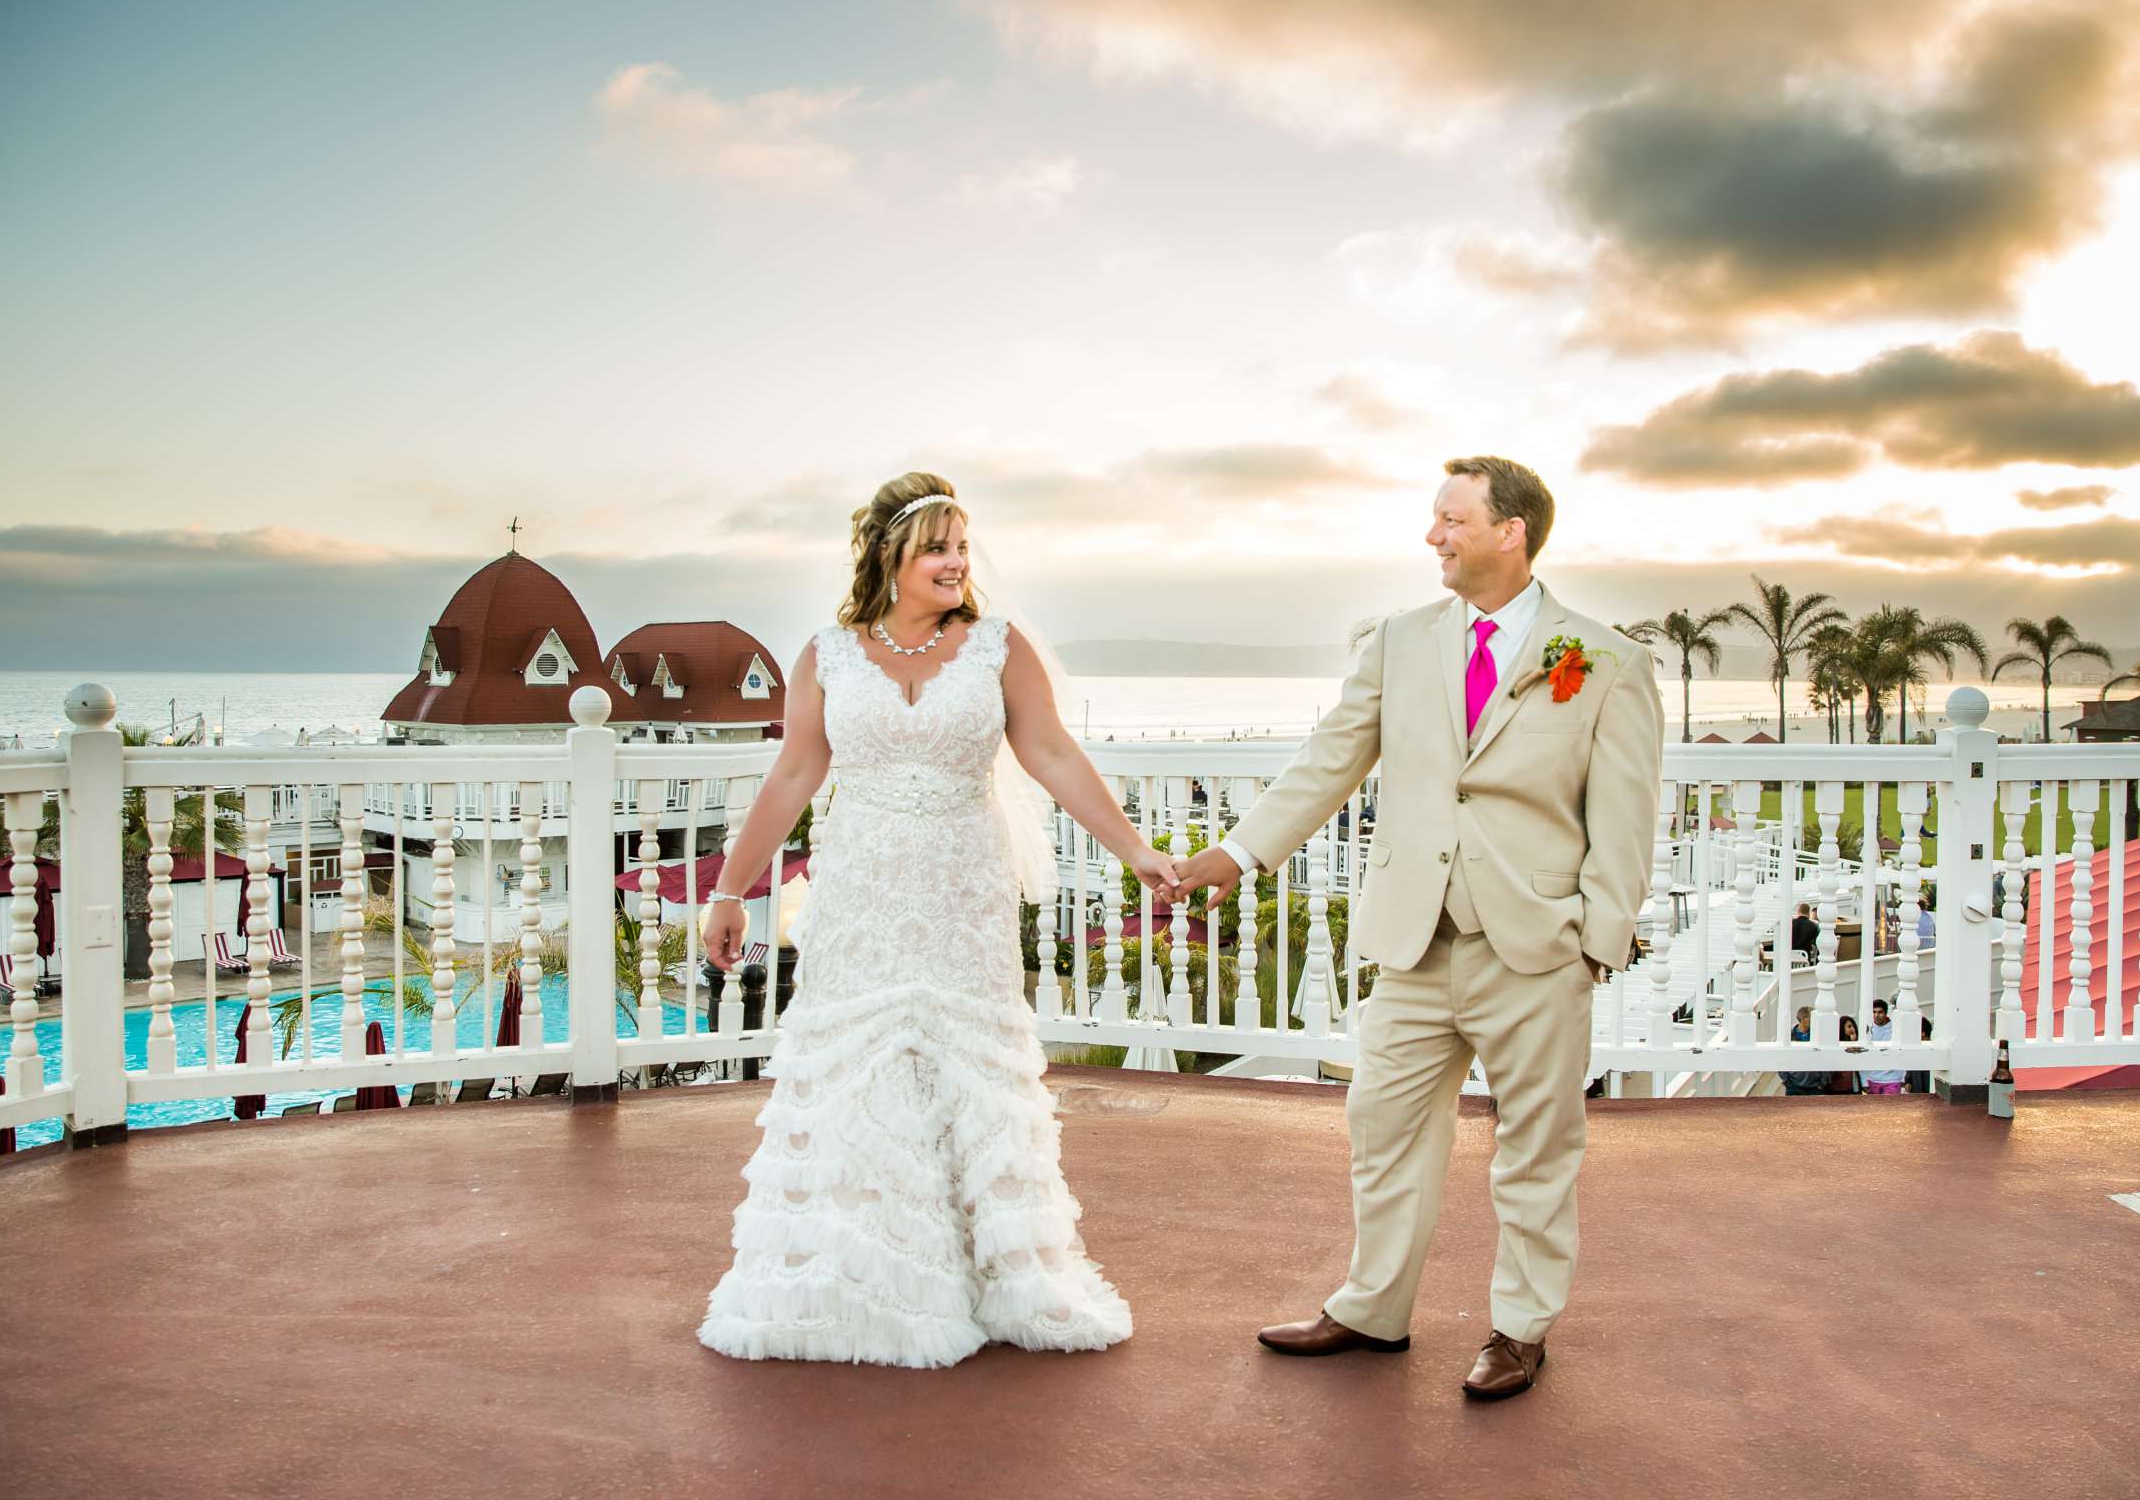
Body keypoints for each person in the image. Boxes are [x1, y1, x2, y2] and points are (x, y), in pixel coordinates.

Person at [1170, 456, 1663, 1402]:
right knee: (1381, 1124)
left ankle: (1521, 1329)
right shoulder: (1399, 643)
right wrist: (1237, 854)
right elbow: (1329, 763)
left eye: (1451, 518)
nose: (1433, 536)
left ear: (1510, 530)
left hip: (1536, 946)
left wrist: (1596, 936)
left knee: (1537, 1145)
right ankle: (1372, 1309)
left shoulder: (1603, 660)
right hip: (1412, 940)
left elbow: (1626, 815)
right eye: (1435, 519)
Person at [696, 473, 1168, 1369]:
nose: (957, 562)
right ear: (889, 556)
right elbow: (794, 776)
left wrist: (1135, 850)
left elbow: (1052, 753)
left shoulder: (996, 647)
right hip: (864, 889)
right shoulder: (826, 655)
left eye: (961, 546)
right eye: (937, 548)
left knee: (966, 1065)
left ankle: (1001, 1282)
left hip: (960, 886)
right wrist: (731, 889)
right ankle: (854, 1284)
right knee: (858, 1066)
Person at [1860, 998, 1904, 1094]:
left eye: (1880, 1012)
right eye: (1874, 1012)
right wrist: (1864, 1081)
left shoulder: (1895, 1029)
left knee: (1890, 1108)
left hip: (1893, 1078)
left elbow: (1902, 1052)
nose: (1876, 1015)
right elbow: (1863, 1055)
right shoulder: (1867, 1030)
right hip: (1872, 1079)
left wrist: (1903, 1077)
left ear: (1885, 1013)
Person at [1780, 1006, 1825, 1095]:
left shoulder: (1819, 1036)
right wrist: (1786, 1080)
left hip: (1816, 1086)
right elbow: (1781, 1058)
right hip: (1794, 1086)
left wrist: (1823, 1082)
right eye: (1812, 1018)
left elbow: (1825, 1057)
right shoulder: (1789, 1036)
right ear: (1804, 1019)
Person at [1824, 1016, 1862, 1094]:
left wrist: (1854, 1043)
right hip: (1835, 1087)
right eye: (1849, 1026)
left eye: (1853, 1026)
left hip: (1851, 1087)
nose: (1852, 1029)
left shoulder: (1858, 1043)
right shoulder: (1834, 1044)